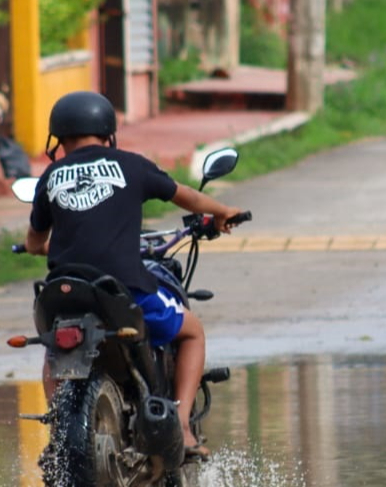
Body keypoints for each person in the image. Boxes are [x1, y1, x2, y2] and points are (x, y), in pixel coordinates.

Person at [24, 90, 243, 457]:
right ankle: (183, 427)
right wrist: (222, 211)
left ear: (58, 139)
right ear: (108, 132)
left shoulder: (51, 177)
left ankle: (59, 435)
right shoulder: (129, 165)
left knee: (53, 351)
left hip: (65, 293)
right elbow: (185, 195)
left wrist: (46, 244)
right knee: (192, 332)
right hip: (123, 289)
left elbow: (34, 241)